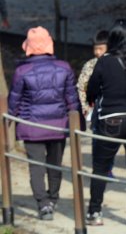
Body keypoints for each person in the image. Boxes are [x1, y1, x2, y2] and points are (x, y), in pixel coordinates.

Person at [85, 19, 126, 226]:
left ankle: (95, 212)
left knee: (101, 168)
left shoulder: (105, 61)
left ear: (113, 39)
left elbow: (92, 89)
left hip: (110, 119)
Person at [8, 27, 79, 221]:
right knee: (55, 165)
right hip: (58, 125)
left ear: (28, 47)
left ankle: (43, 204)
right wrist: (77, 121)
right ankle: (53, 198)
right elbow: (71, 99)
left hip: (31, 126)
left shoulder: (22, 71)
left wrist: (10, 120)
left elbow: (14, 101)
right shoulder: (64, 67)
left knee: (36, 167)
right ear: (50, 44)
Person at [77, 30, 110, 117]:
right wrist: (85, 108)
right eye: (95, 49)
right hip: (92, 109)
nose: (97, 52)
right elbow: (82, 88)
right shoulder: (90, 65)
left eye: (101, 49)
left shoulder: (114, 65)